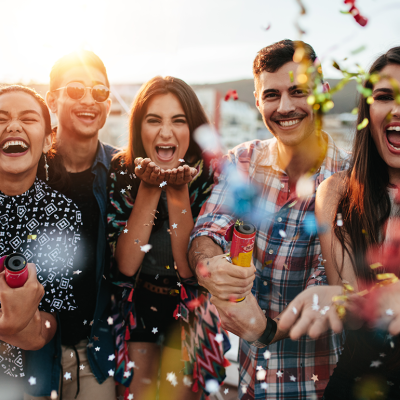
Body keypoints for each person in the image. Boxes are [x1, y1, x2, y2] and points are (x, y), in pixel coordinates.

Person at [188, 39, 350, 399]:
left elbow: (332, 283)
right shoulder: (243, 160)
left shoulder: (351, 175)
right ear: (258, 100)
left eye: (299, 92)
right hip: (253, 382)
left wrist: (266, 330)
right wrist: (212, 264)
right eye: (272, 95)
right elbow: (207, 230)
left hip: (326, 383)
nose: (286, 106)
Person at [278, 47, 400, 399]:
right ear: (367, 110)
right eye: (384, 96)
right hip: (359, 378)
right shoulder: (336, 193)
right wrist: (335, 296)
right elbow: (351, 302)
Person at [107, 76, 230, 400]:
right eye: (153, 120)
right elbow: (127, 266)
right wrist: (149, 187)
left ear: (192, 129)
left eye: (178, 121)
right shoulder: (122, 169)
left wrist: (177, 194)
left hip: (190, 306)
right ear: (138, 127)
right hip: (139, 301)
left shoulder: (210, 175)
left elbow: (189, 272)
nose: (165, 132)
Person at [24, 51, 118, 400]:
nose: (89, 101)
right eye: (76, 90)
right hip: (25, 351)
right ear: (52, 99)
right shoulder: (24, 168)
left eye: (100, 92)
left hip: (93, 352)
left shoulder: (123, 172)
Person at [0, 85, 81, 400]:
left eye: (29, 119)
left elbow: (47, 327)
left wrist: (16, 324)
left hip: (30, 381)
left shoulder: (63, 214)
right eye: (2, 118)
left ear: (48, 140)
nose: (14, 126)